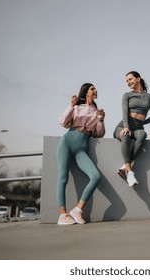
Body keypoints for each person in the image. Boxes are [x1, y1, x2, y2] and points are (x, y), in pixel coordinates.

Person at [56, 83, 106, 225]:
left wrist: (101, 119)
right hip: (67, 141)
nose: (95, 90)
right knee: (63, 179)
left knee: (96, 176)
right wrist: (71, 105)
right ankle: (62, 214)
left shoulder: (97, 111)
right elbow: (63, 122)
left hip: (81, 148)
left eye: (95, 88)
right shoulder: (77, 107)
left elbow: (99, 134)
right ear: (86, 92)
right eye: (92, 88)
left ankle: (78, 210)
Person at [113, 71, 150, 187]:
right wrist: (126, 127)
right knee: (126, 135)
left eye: (130, 79)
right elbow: (124, 112)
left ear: (138, 79)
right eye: (127, 81)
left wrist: (143, 122)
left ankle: (125, 167)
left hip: (137, 127)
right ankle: (130, 172)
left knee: (143, 134)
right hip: (123, 126)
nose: (128, 82)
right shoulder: (127, 95)